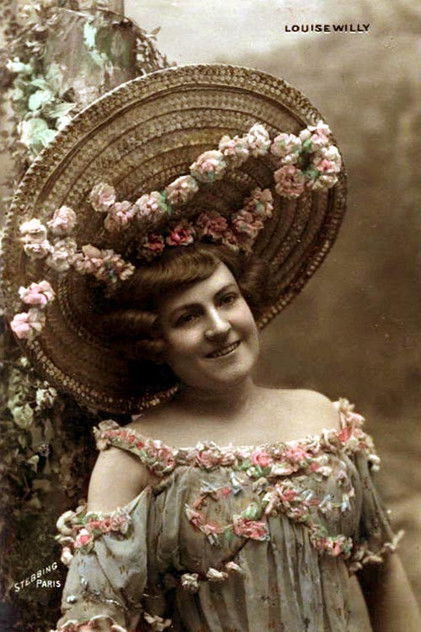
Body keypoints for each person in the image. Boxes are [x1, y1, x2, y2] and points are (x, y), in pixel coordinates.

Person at [2, 64, 419, 631]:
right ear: (155, 340)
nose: (220, 327)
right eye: (188, 317)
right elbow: (92, 619)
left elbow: (385, 582)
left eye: (226, 300)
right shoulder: (133, 458)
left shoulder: (322, 417)